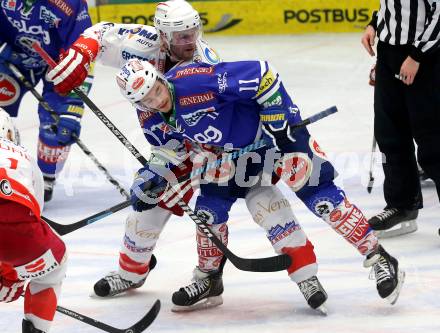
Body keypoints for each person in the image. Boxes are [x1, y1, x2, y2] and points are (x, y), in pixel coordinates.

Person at [46, 0, 328, 312]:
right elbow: (102, 34)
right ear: (163, 36)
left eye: (194, 32)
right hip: (173, 147)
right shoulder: (143, 44)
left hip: (220, 148)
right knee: (145, 212)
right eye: (181, 36)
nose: (190, 40)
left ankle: (286, 274)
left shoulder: (203, 65)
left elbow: (210, 128)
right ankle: (132, 272)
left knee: (263, 204)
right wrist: (80, 55)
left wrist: (178, 163)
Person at [116, 57, 406, 307]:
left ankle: (378, 256)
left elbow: (264, 74)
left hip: (279, 137)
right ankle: (209, 279)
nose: (156, 99)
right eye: (147, 99)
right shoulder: (150, 117)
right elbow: (170, 151)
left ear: (159, 78)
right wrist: (151, 177)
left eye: (155, 89)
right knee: (208, 213)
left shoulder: (196, 81)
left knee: (324, 201)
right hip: (228, 155)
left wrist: (275, 116)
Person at [0, 0, 94, 202]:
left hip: (59, 66)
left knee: (58, 126)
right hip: (13, 56)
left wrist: (73, 107)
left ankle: (46, 179)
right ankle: (4, 172)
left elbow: (84, 54)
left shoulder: (72, 4)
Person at [361, 2, 440, 237]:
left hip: (426, 57)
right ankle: (402, 205)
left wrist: (416, 56)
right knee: (389, 133)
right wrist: (374, 25)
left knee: (433, 141)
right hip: (389, 53)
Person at [0, 109, 68, 333]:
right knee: (55, 265)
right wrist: (12, 277)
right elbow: (25, 219)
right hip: (17, 232)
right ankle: (37, 327)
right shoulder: (24, 155)